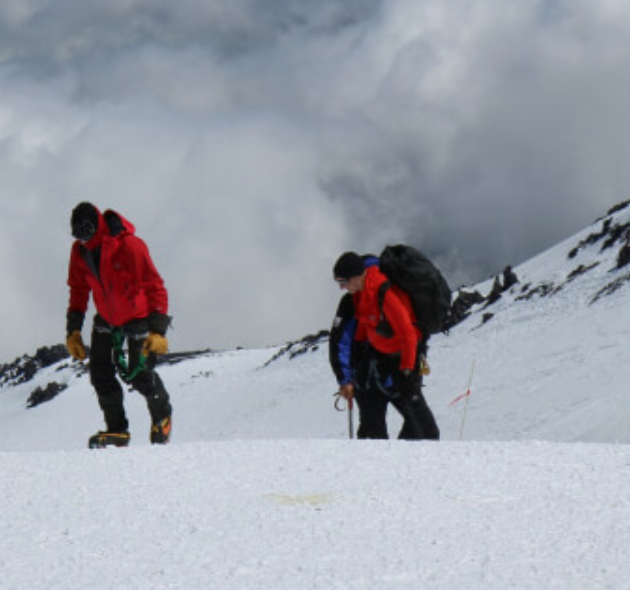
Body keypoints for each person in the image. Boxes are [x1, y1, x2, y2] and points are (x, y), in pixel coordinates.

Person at [65, 202, 173, 448]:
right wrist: (73, 331)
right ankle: (117, 430)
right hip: (107, 318)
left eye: (87, 230)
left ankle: (162, 416)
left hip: (138, 317)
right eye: (78, 233)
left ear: (98, 225)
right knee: (100, 373)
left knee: (140, 374)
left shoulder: (129, 246)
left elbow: (154, 286)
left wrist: (158, 330)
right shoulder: (79, 252)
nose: (84, 237)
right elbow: (78, 291)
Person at [329, 251, 439, 440]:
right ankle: (399, 462)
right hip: (391, 369)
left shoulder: (383, 293)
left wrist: (406, 369)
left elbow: (407, 333)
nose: (341, 287)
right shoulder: (360, 296)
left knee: (391, 430)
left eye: (343, 282)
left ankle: (396, 463)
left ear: (356, 276)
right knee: (420, 428)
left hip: (391, 370)